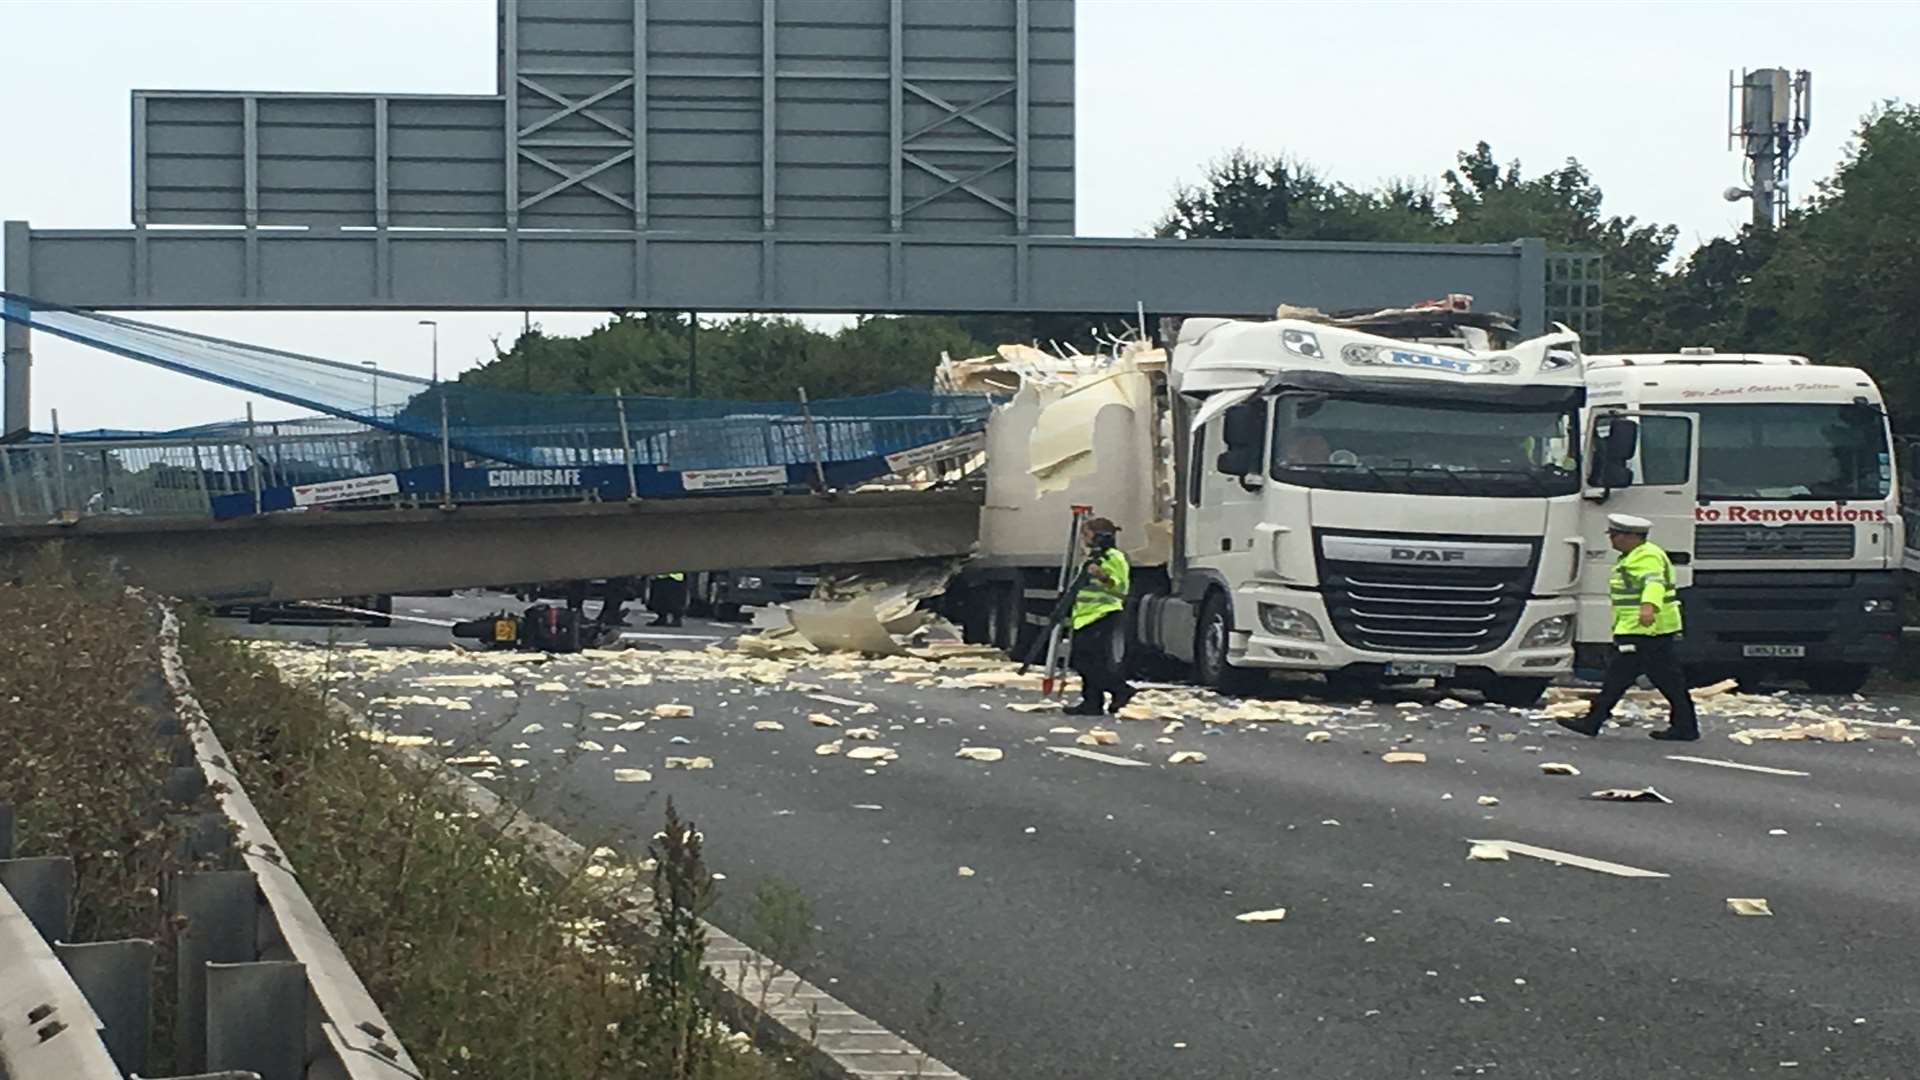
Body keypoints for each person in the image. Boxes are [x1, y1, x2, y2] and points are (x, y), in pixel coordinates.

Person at [1558, 513, 1698, 741]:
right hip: (1648, 629)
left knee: (1620, 676)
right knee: (1665, 680)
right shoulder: (1635, 555)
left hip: (1645, 629)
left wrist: (1648, 606)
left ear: (1631, 536)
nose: (1611, 540)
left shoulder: (1645, 556)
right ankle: (1685, 726)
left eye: (1615, 535)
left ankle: (1593, 721)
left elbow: (1654, 583)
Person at [1067, 516, 1135, 716]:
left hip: (1102, 614)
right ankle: (1092, 702)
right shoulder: (1094, 557)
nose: (1084, 538)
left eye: (1086, 534)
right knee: (1093, 661)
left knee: (1086, 662)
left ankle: (1120, 689)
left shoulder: (1114, 557)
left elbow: (1121, 588)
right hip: (1085, 616)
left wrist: (1103, 576)